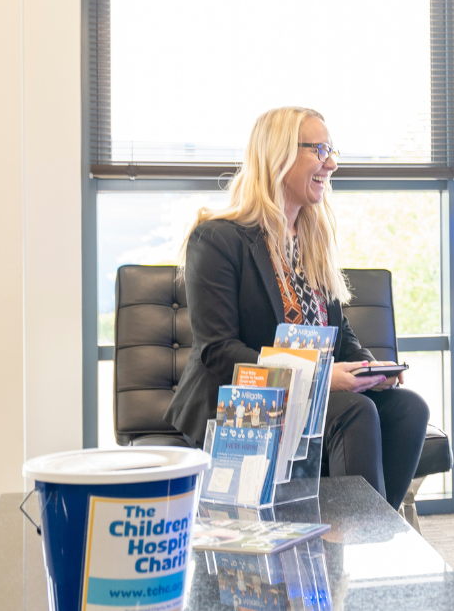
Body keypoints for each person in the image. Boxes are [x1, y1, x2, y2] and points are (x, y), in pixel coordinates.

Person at [164, 106, 429, 510]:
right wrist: (319, 377)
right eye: (320, 149)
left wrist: (368, 369)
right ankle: (357, 540)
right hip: (243, 404)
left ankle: (369, 528)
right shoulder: (217, 239)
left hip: (311, 402)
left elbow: (340, 334)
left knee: (409, 408)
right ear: (279, 156)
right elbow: (218, 351)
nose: (332, 163)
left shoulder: (312, 239)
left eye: (332, 149)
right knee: (353, 410)